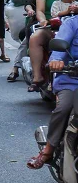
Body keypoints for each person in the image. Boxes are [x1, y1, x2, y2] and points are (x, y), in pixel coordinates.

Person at [28, 12, 78, 169]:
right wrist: (56, 60)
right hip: (71, 80)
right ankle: (48, 150)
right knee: (64, 108)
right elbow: (60, 43)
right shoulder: (72, 23)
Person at [28, 0, 72, 91]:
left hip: (73, 29)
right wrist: (43, 20)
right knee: (35, 38)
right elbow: (40, 11)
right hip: (51, 27)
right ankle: (37, 77)